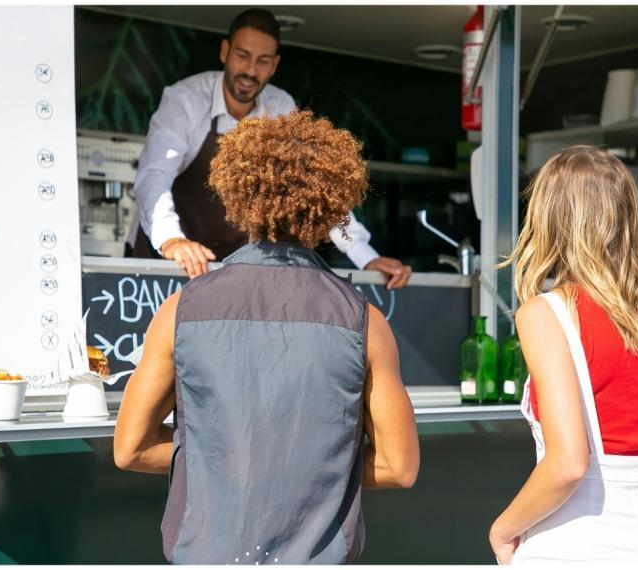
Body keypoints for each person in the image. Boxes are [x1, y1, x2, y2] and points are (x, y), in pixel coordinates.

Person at [114, 110, 419, 564]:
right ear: (334, 205)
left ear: (237, 194)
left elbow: (131, 449)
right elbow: (399, 467)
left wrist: (224, 460)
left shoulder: (180, 310)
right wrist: (308, 468)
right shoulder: (365, 321)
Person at [489, 145, 638, 564]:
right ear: (629, 218)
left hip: (571, 549)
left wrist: (502, 531)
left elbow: (568, 464)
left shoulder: (546, 314)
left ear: (549, 220)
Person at [126, 8, 412, 289]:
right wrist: (172, 240)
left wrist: (365, 257)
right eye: (242, 56)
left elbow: (315, 188)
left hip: (235, 268)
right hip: (168, 262)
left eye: (263, 61)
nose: (250, 71)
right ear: (225, 52)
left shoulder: (280, 107)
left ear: (274, 65)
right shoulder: (185, 99)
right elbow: (154, 175)